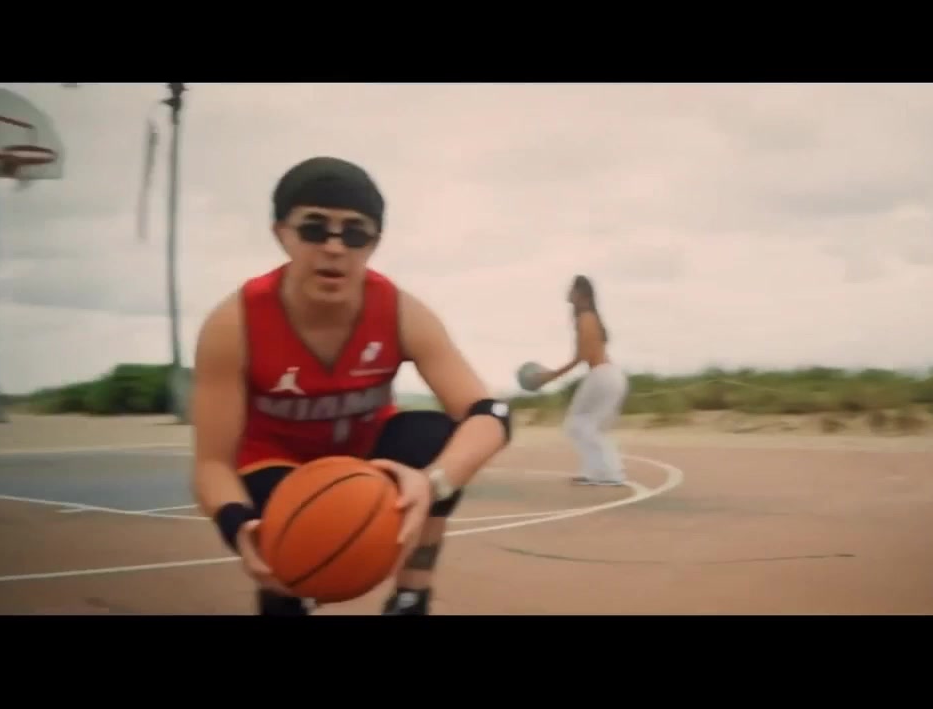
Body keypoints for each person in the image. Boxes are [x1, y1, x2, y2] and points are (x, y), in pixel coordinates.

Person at [189, 156, 512, 616]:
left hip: (366, 459)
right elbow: (212, 464)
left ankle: (411, 596)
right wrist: (236, 523)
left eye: (355, 233)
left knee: (433, 437)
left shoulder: (400, 311)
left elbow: (491, 414)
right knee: (281, 536)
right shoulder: (234, 323)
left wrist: (432, 482)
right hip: (277, 467)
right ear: (281, 233)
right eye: (314, 229)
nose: (335, 247)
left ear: (374, 242)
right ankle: (283, 593)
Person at [534, 275, 629, 487]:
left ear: (581, 294)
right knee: (589, 426)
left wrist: (550, 376)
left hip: (603, 376)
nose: (569, 293)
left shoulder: (585, 317)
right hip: (608, 375)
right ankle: (598, 472)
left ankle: (609, 473)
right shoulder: (589, 317)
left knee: (578, 424)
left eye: (572, 290)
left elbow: (582, 356)